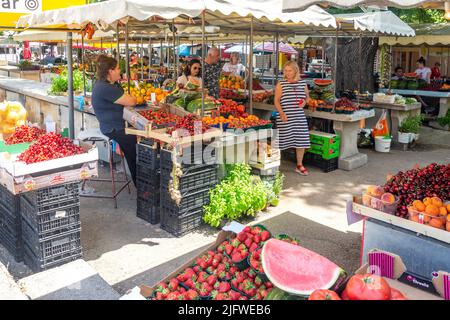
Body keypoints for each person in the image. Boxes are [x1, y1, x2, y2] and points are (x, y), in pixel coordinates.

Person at [91, 55, 138, 185]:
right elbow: (131, 101)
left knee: (134, 144)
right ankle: (140, 185)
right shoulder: (106, 88)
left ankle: (140, 183)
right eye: (117, 69)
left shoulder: (106, 85)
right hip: (114, 128)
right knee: (136, 151)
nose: (120, 71)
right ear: (110, 71)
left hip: (113, 126)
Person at [274, 61, 311, 176]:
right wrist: (281, 113)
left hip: (299, 116)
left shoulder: (302, 83)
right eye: (285, 70)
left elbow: (308, 98)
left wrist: (304, 102)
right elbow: (276, 101)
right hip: (285, 116)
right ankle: (275, 165)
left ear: (295, 70)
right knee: (281, 141)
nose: (287, 73)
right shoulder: (281, 84)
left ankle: (299, 165)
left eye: (289, 70)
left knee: (302, 141)